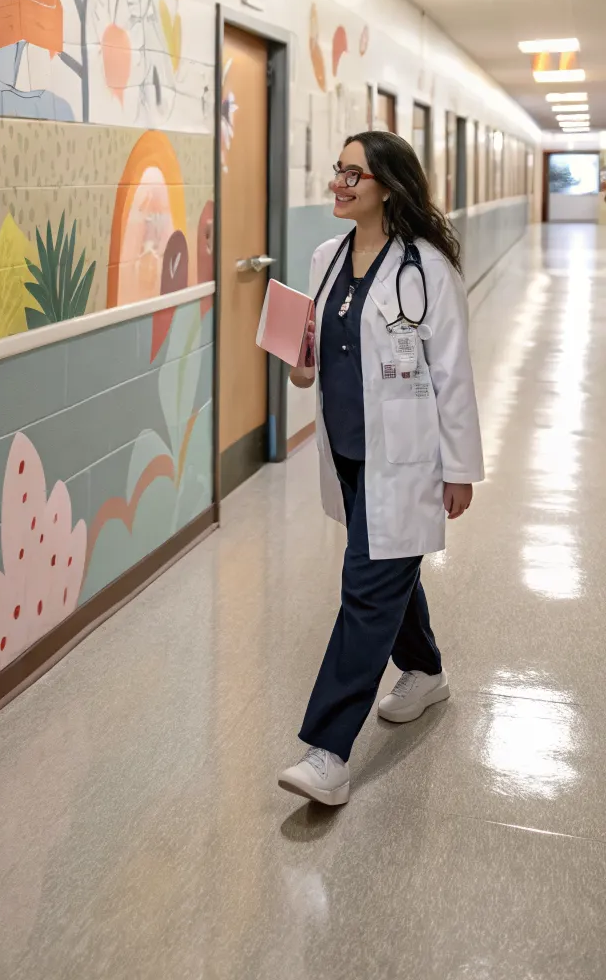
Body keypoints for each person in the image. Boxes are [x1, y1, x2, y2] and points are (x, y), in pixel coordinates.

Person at [279, 131, 483, 807]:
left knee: (366, 585)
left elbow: (453, 376)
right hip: (347, 448)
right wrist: (299, 362)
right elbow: (317, 350)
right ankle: (424, 672)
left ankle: (328, 751)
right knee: (389, 566)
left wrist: (460, 469)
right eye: (338, 170)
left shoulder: (427, 268)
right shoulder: (326, 257)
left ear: (388, 187)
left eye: (352, 174)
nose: (338, 182)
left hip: (409, 459)